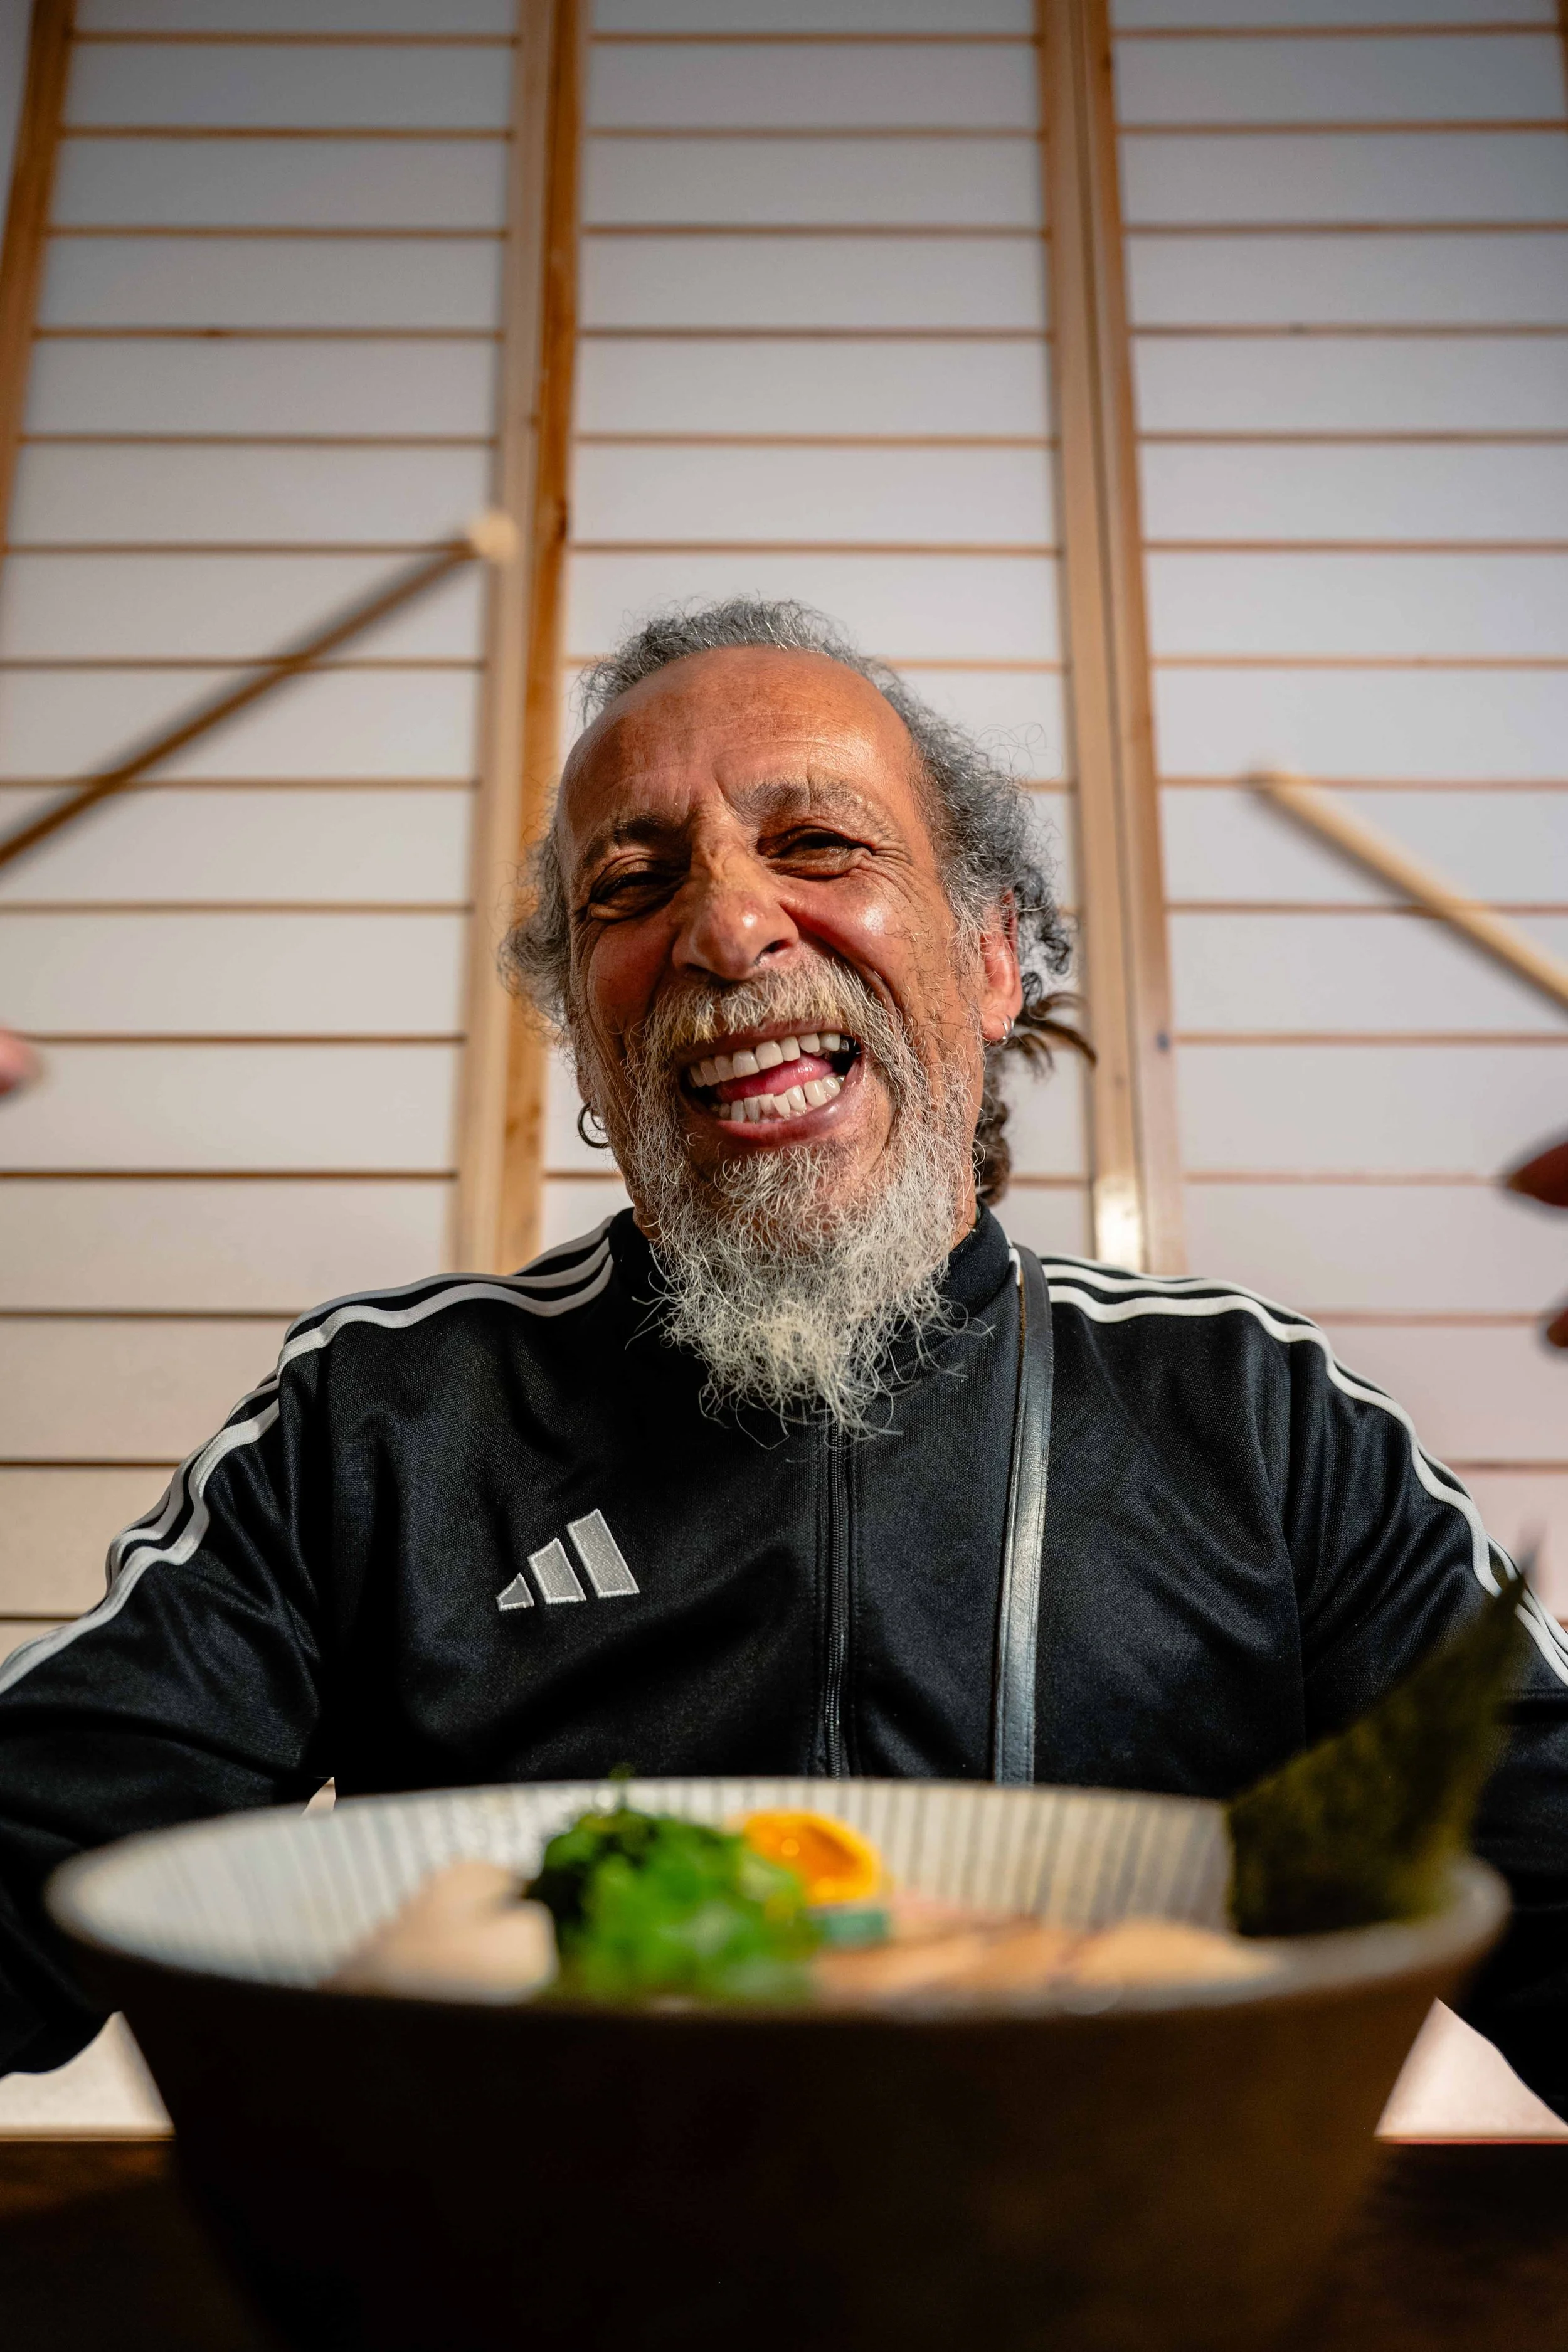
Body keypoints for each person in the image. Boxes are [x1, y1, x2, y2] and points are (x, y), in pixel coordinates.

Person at [0, 601, 1564, 2107]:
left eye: (817, 845)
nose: (728, 926)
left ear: (990, 963)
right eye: (630, 884)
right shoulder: (382, 1418)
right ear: (590, 1041)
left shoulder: (1258, 1416)